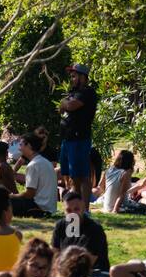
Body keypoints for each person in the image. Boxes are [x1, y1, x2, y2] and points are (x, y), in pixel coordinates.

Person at [58, 63, 98, 208]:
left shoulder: (88, 92)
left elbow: (70, 106)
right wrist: (65, 103)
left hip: (79, 139)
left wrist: (65, 103)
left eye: (74, 76)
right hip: (67, 139)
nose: (72, 79)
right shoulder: (73, 92)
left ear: (83, 77)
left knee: (82, 175)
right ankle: (74, 205)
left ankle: (84, 209)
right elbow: (61, 110)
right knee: (68, 174)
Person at [52, 189, 110, 274]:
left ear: (83, 207)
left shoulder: (94, 229)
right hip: (64, 271)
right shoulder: (60, 226)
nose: (73, 213)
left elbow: (88, 262)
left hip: (93, 273)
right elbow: (55, 253)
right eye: (68, 210)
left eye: (76, 209)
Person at [10, 133, 58, 217]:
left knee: (4, 201)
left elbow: (29, 194)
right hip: (50, 208)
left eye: (21, 145)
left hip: (39, 209)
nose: (19, 148)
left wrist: (12, 196)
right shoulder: (44, 162)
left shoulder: (33, 165)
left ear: (28, 145)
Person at [95, 149, 137, 213]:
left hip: (106, 207)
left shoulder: (108, 170)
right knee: (144, 207)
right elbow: (122, 194)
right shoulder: (125, 173)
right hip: (119, 207)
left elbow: (101, 187)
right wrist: (115, 209)